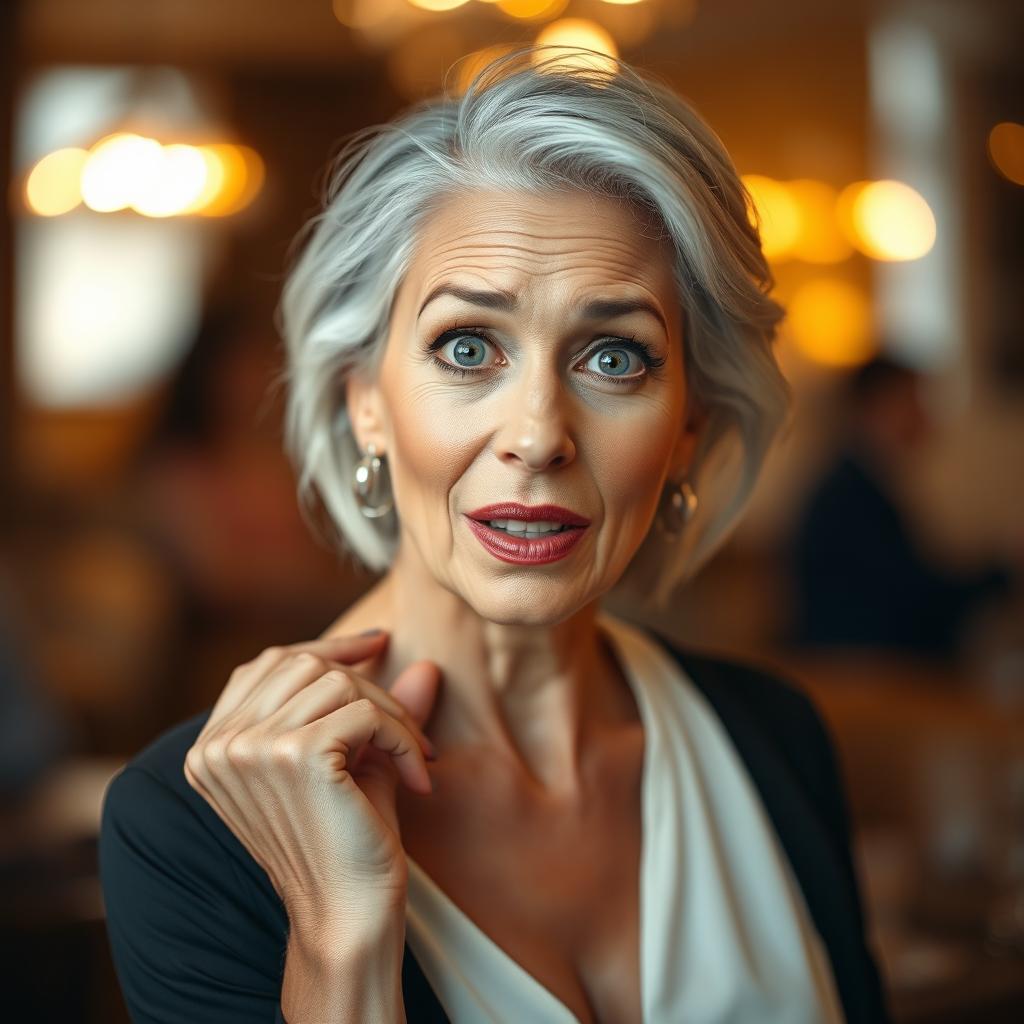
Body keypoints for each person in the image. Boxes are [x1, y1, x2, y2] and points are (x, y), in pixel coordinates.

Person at [99, 47, 890, 1023]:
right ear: (364, 402)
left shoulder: (775, 738)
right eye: (467, 347)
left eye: (615, 357)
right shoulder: (189, 827)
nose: (538, 434)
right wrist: (341, 939)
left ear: (688, 425)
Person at [789, 356, 1012, 660]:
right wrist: (998, 575)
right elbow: (914, 600)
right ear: (875, 406)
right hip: (864, 673)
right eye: (912, 401)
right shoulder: (849, 497)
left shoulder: (860, 484)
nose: (925, 417)